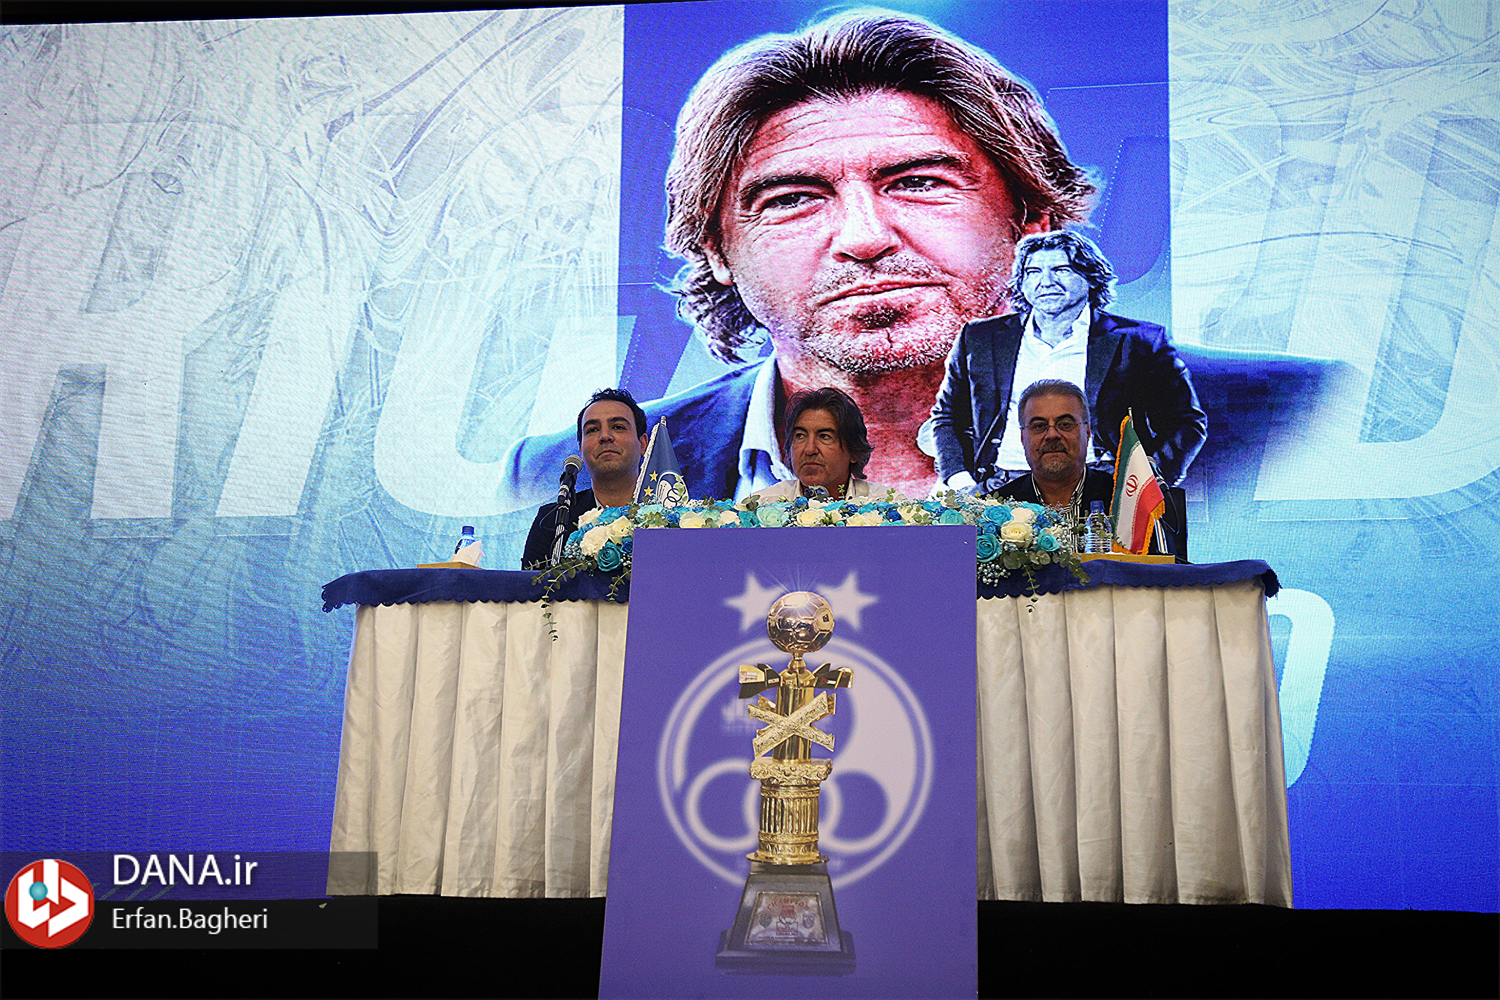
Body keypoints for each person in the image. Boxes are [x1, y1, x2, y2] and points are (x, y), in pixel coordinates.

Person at [500, 10, 1095, 504]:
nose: (864, 238)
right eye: (792, 199)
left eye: (917, 183)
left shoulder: (1153, 421)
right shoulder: (552, 473)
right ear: (716, 249)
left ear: (1032, 219)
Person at [930, 230, 1206, 492]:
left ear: (1091, 277)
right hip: (1002, 488)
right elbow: (947, 417)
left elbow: (1186, 422)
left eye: (1061, 270)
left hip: (1101, 487)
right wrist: (962, 484)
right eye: (1033, 272)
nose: (1046, 282)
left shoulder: (1140, 341)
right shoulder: (979, 338)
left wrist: (1146, 481)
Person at [520, 388, 649, 568]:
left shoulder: (673, 515)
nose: (605, 436)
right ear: (581, 450)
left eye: (618, 427)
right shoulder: (554, 521)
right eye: (592, 430)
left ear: (643, 444)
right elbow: (529, 585)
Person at [991, 380, 1114, 530]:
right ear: (1023, 437)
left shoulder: (1126, 501)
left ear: (1087, 432)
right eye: (1039, 426)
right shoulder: (987, 511)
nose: (1052, 435)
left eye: (1065, 424)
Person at [749, 387, 900, 502]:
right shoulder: (761, 506)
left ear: (853, 451)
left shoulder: (889, 508)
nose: (809, 449)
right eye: (800, 436)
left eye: (824, 437)